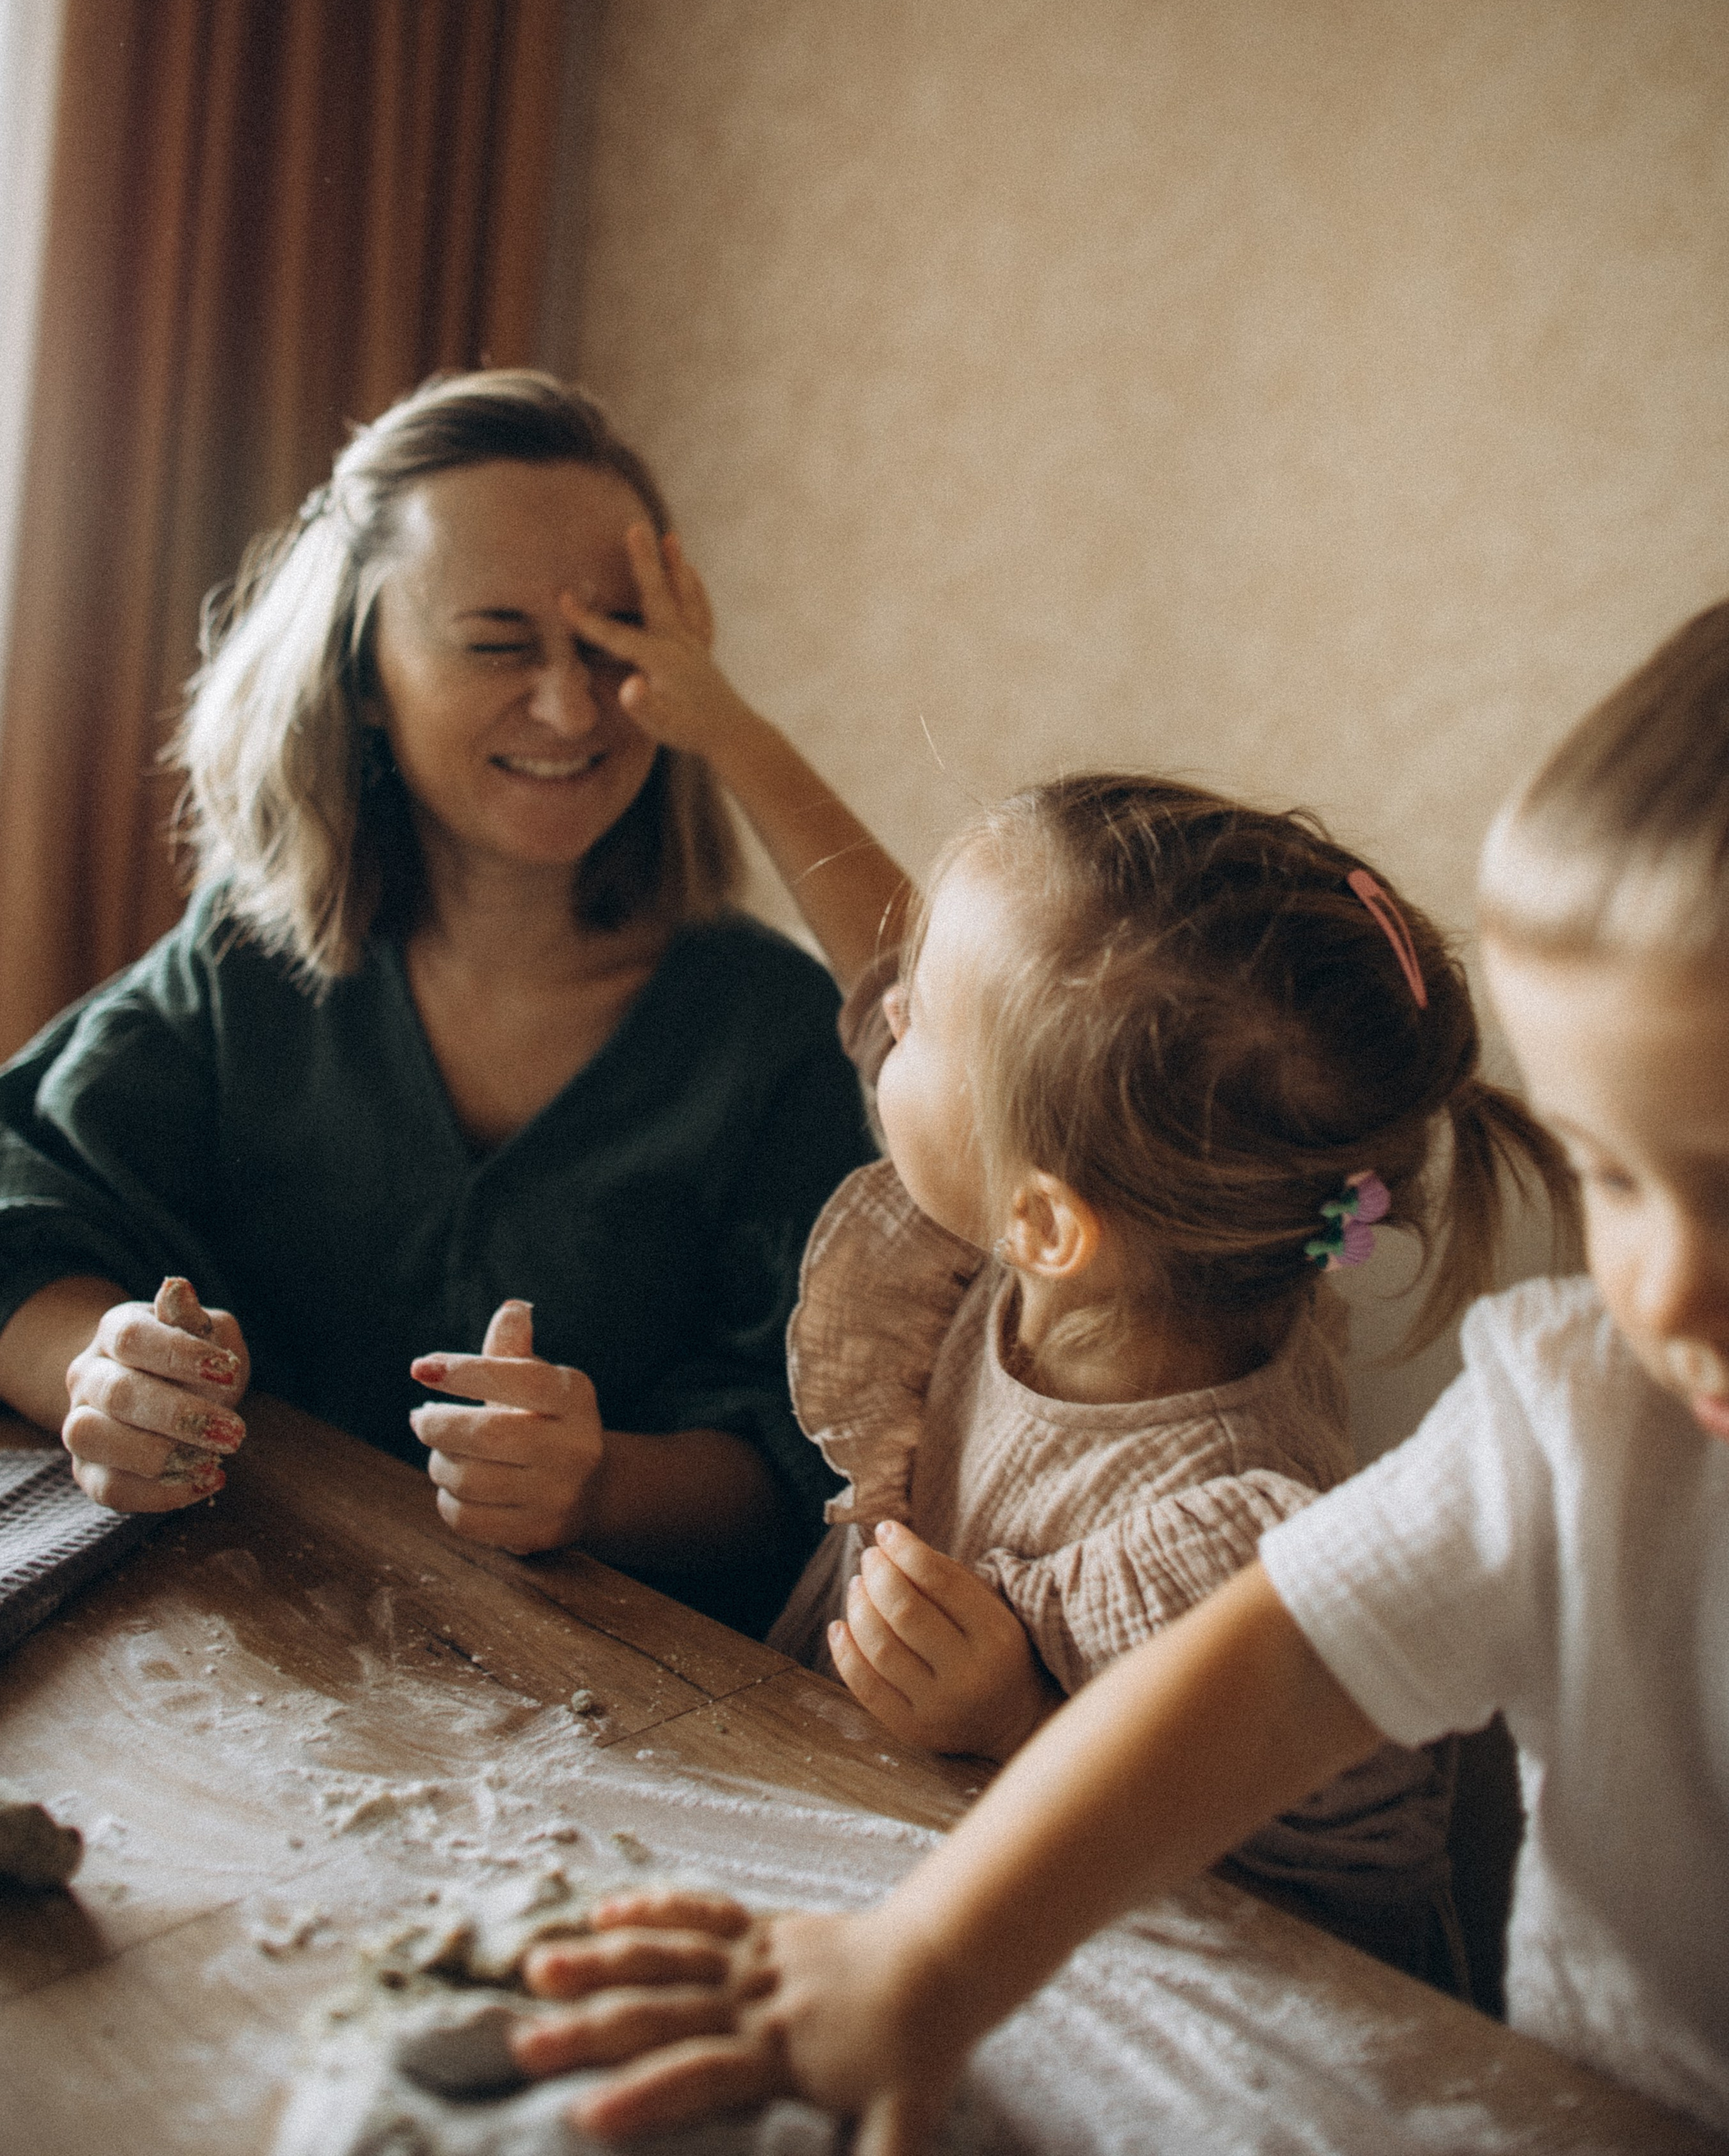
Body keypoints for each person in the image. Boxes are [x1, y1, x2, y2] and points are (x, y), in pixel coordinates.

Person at [488, 599, 1729, 2144]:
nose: (1664, 1283)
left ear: (1047, 1219)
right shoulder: (1570, 1418)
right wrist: (924, 1970)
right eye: (1609, 1178)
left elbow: (1334, 1942)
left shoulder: (1212, 1512)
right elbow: (1273, 1679)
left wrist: (1016, 1720)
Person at [0, 370, 879, 1634]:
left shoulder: (773, 1031)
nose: (572, 707)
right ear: (361, 673)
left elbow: (811, 1460)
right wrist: (99, 1373)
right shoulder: (245, 963)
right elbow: (6, 1208)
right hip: (237, 1635)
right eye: (498, 643)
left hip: (615, 1696)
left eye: (618, 642)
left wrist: (601, 1483)